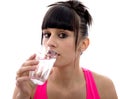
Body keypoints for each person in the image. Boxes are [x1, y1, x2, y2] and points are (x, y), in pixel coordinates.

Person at [13, 0, 118, 99]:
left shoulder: (104, 87)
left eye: (62, 35)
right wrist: (23, 95)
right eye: (47, 34)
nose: (50, 42)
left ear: (83, 44)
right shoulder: (28, 85)